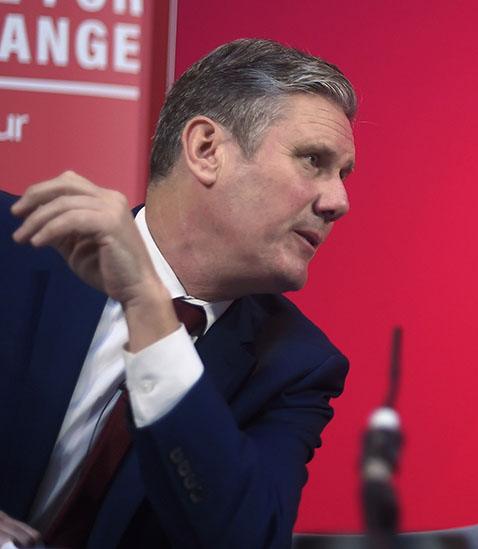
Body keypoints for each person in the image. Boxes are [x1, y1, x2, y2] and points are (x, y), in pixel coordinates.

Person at [0, 38, 357, 548]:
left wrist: (149, 308)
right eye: (313, 161)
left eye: (343, 175)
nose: (338, 201)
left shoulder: (297, 366)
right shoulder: (15, 245)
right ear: (206, 150)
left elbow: (245, 540)